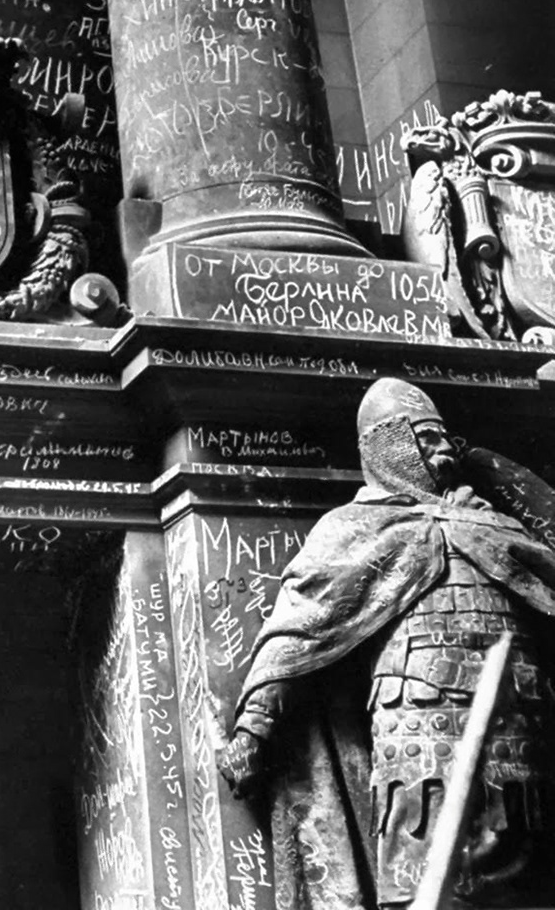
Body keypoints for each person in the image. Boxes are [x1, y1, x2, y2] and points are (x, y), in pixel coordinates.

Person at [219, 377, 555, 910]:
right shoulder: (355, 529)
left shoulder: (493, 524)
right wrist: (254, 729)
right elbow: (301, 628)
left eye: (445, 439)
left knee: (525, 888)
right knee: (423, 877)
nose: (444, 451)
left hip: (520, 734)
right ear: (387, 446)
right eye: (425, 440)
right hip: (418, 736)